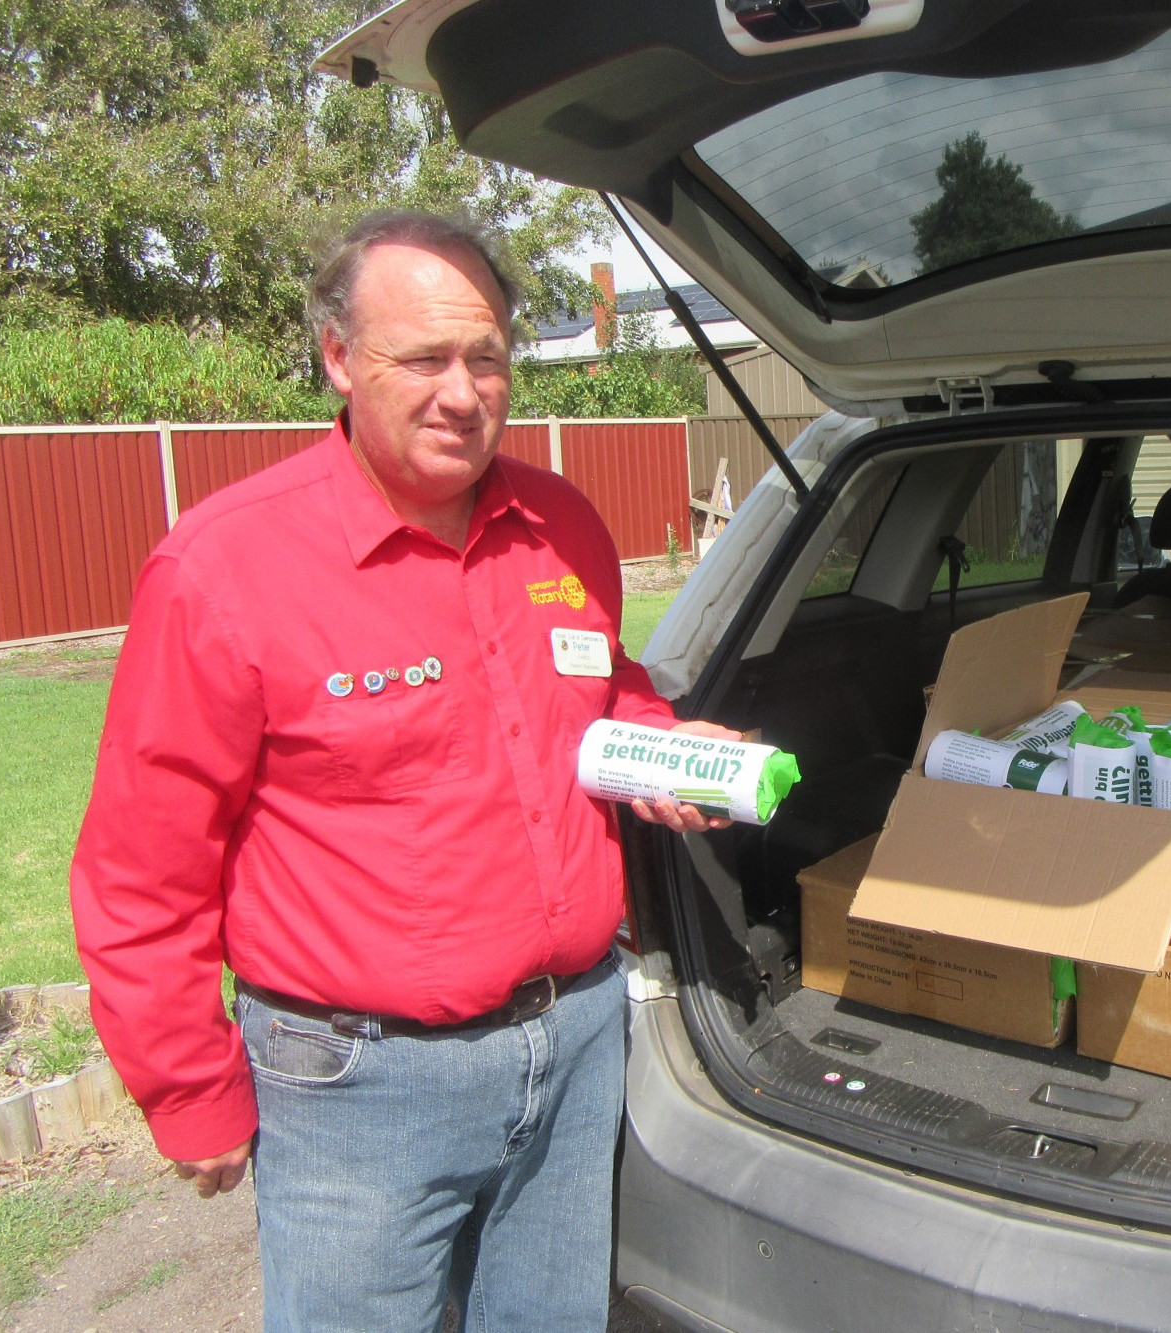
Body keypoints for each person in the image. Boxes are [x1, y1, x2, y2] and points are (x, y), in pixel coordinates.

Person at [70, 210, 732, 1331]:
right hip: (358, 1088)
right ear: (338, 356)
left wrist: (659, 739)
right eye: (422, 358)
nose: (462, 392)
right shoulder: (225, 567)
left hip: (572, 1045)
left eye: (485, 358)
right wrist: (190, 1087)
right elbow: (144, 860)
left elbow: (596, 684)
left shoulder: (560, 523)